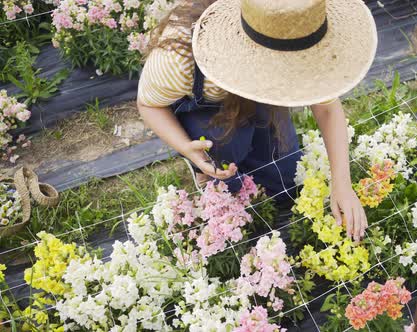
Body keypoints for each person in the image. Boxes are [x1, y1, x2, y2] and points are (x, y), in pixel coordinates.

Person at [137, 0, 377, 242]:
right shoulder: (180, 58)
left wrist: (342, 184)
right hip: (207, 111)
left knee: (287, 178)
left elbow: (327, 109)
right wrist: (186, 148)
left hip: (258, 101)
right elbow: (148, 105)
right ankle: (208, 172)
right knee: (225, 161)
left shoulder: (300, 27)